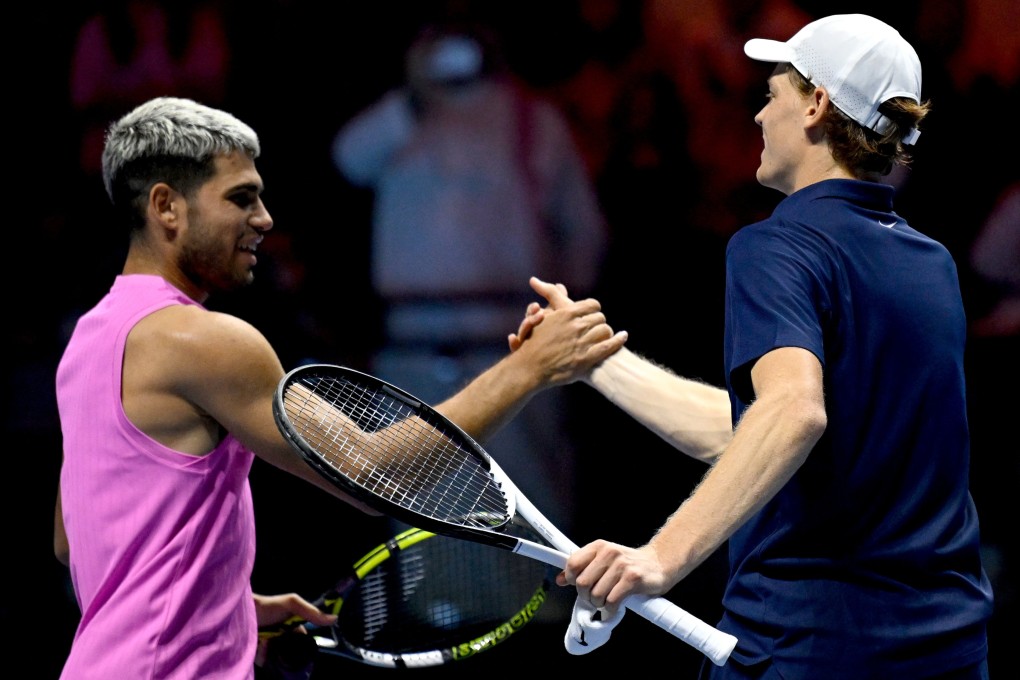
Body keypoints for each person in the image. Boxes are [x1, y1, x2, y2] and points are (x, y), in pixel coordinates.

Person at [54, 96, 627, 680]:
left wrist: (225, 611)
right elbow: (377, 475)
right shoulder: (203, 342)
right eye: (241, 198)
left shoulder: (91, 339)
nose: (264, 218)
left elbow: (75, 540)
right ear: (166, 206)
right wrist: (529, 368)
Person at [513, 13, 994, 679]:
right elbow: (756, 435)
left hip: (807, 651)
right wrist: (597, 364)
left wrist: (659, 559)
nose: (760, 116)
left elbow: (792, 414)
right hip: (948, 652)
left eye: (772, 95)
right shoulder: (931, 263)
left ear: (817, 105)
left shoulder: (776, 246)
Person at [331, 15, 609, 533]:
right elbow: (348, 160)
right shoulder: (399, 118)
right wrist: (415, 94)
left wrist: (552, 321)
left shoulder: (532, 120)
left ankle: (545, 590)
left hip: (512, 343)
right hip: (412, 348)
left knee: (529, 499)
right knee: (418, 498)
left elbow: (583, 233)